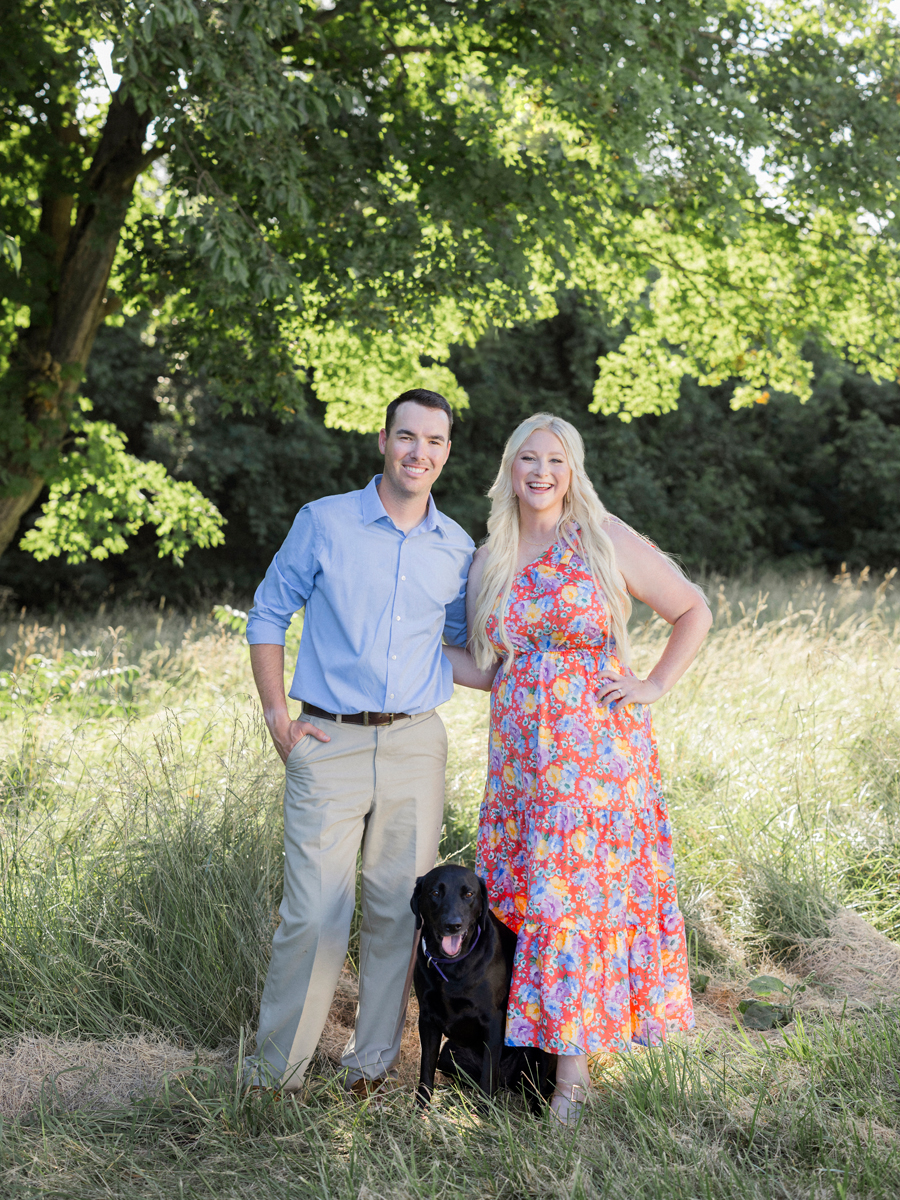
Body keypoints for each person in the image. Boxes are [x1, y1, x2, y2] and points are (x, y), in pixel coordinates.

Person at [444, 412, 712, 1124]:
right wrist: (403, 653)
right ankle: (523, 1067)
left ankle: (571, 1087)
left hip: (595, 766)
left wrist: (652, 684)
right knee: (532, 912)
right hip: (522, 769)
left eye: (554, 461)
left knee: (571, 911)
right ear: (508, 468)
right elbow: (486, 669)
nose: (540, 472)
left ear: (573, 471)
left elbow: (693, 609)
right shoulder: (489, 557)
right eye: (527, 459)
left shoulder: (600, 537)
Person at [243, 388, 474, 1097]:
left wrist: (552, 675)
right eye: (407, 437)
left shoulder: (458, 548)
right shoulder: (326, 522)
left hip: (415, 746)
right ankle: (271, 1077)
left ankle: (369, 1065)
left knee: (398, 913)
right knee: (313, 913)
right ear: (383, 440)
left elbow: (461, 648)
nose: (419, 453)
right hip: (328, 740)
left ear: (446, 452)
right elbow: (267, 613)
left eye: (433, 442)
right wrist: (279, 718)